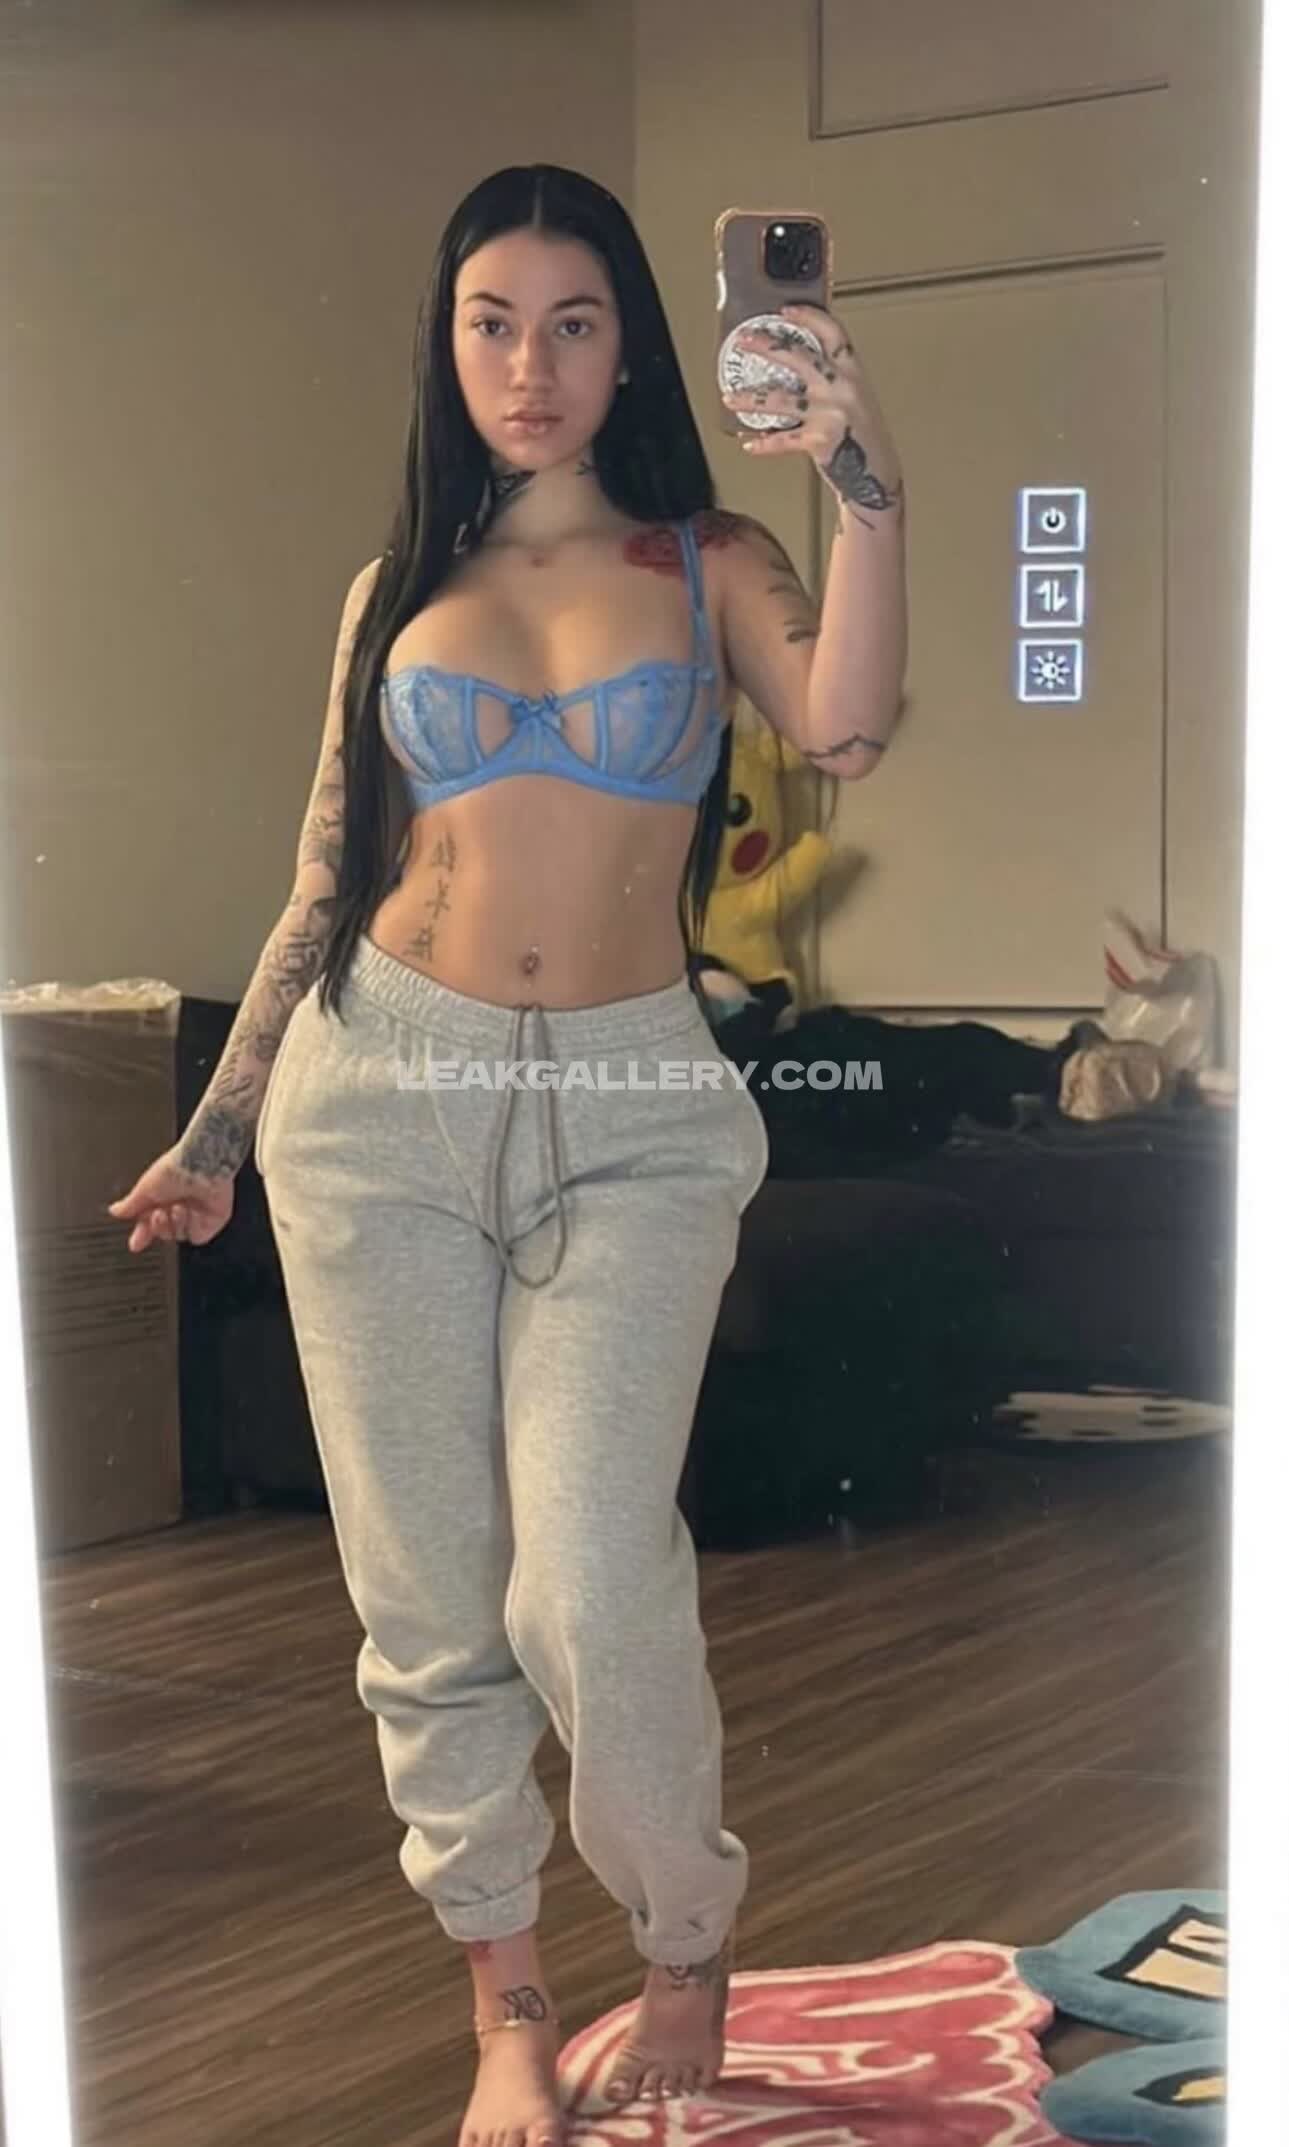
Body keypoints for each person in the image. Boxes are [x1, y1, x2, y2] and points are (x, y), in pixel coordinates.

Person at [108, 163, 907, 2146]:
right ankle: (507, 2005)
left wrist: (862, 470)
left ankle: (684, 1942)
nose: (528, 364)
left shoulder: (709, 556)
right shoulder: (393, 591)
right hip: (379, 1098)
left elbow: (850, 725)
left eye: (571, 322)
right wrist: (215, 1135)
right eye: (490, 322)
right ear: (446, 345)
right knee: (427, 1602)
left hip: (633, 1116)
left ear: (630, 344)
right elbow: (325, 884)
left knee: (591, 1582)